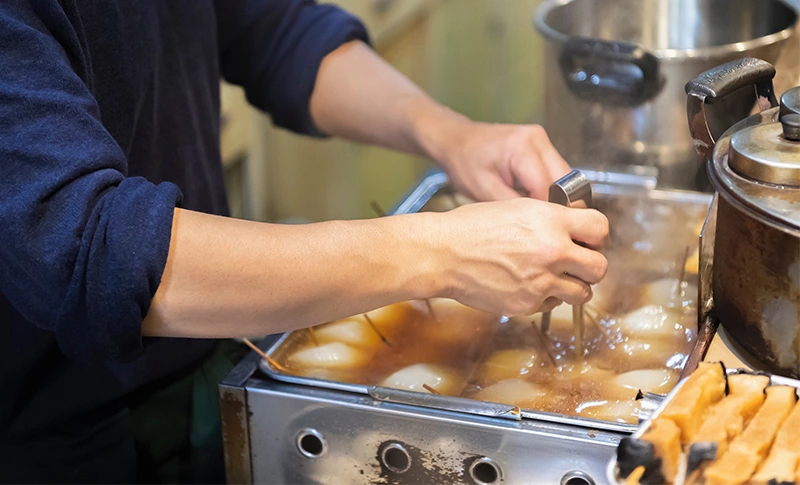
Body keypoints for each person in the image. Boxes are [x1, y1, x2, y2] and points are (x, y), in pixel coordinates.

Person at [0, 1, 609, 483]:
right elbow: (87, 249)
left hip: (210, 355)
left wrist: (452, 135)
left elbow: (272, 28)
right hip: (48, 428)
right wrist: (440, 253)